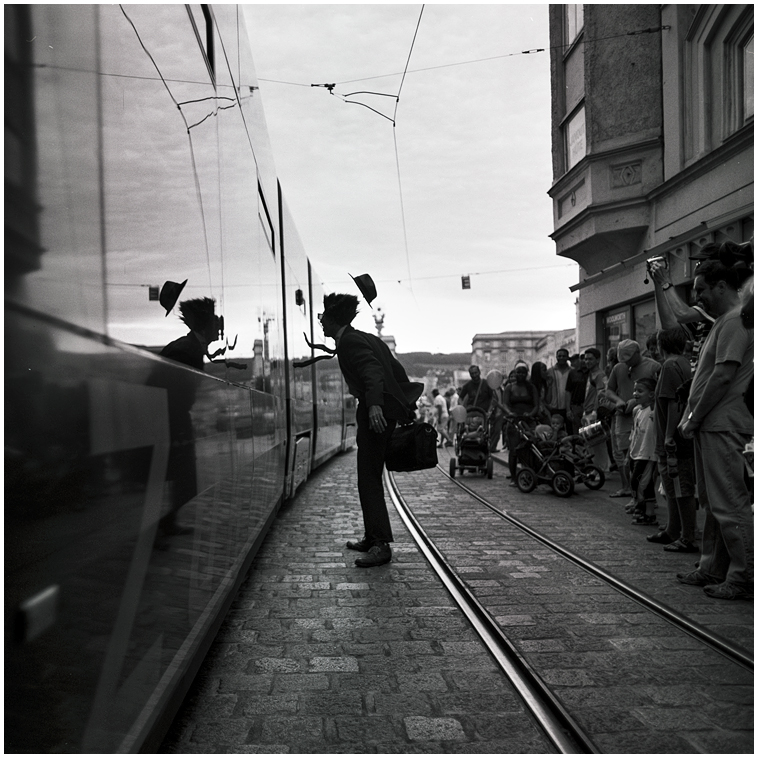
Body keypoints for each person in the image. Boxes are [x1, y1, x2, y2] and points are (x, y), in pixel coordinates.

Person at [319, 292, 422, 568]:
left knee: (369, 478)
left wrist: (376, 405)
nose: (320, 323)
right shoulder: (367, 338)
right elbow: (394, 368)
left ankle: (380, 544)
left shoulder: (351, 342)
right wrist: (401, 402)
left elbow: (373, 371)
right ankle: (372, 535)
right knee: (370, 476)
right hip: (381, 409)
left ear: (331, 319)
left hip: (373, 412)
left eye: (322, 318)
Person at [676, 259, 754, 600]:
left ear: (721, 286)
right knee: (714, 502)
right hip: (712, 424)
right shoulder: (725, 321)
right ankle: (712, 567)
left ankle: (744, 575)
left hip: (722, 424)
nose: (698, 297)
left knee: (730, 503)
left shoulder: (736, 321)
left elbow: (723, 375)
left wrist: (694, 417)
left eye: (701, 290)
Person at [147, 296, 221, 543]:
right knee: (180, 478)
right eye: (215, 324)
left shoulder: (189, 346)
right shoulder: (187, 349)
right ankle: (158, 528)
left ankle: (166, 524)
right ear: (206, 326)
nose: (219, 329)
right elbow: (172, 386)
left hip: (171, 417)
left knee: (179, 478)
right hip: (171, 419)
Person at [647, 327, 698, 552]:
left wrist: (668, 437)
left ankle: (686, 535)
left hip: (673, 440)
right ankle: (673, 529)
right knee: (674, 487)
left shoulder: (669, 365)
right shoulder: (686, 363)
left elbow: (673, 403)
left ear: (662, 344)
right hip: (682, 436)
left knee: (679, 488)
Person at [604, 340, 661, 499]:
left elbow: (658, 392)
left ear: (637, 353)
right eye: (623, 359)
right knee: (625, 456)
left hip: (646, 417)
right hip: (623, 417)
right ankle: (630, 490)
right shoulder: (618, 367)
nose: (626, 362)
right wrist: (618, 401)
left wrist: (635, 402)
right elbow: (608, 391)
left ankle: (646, 497)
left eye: (629, 358)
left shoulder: (653, 367)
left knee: (646, 457)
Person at [627, 377, 658, 525]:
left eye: (640, 391)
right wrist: (630, 452)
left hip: (648, 454)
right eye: (634, 390)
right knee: (636, 481)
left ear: (652, 394)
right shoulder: (637, 410)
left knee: (643, 483)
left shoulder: (654, 410)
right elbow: (634, 433)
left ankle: (649, 513)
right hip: (636, 452)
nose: (635, 394)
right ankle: (641, 507)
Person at [501, 363, 540, 483]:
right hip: (514, 421)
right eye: (518, 372)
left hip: (528, 421)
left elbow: (536, 405)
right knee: (513, 450)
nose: (520, 375)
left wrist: (531, 414)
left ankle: (530, 474)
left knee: (531, 448)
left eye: (523, 372)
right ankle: (513, 477)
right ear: (515, 373)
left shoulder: (531, 387)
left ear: (526, 374)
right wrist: (509, 413)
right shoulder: (509, 387)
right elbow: (505, 404)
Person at [581, 347, 610, 472]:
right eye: (586, 359)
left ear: (598, 360)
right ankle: (601, 468)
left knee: (597, 444)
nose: (587, 361)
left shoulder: (600, 375)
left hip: (593, 413)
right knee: (592, 443)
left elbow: (601, 395)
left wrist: (594, 412)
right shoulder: (590, 374)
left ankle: (602, 469)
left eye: (590, 359)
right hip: (587, 412)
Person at [545, 349, 572, 424]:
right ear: (556, 357)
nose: (561, 358)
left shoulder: (572, 371)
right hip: (554, 407)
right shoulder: (550, 371)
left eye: (564, 356)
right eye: (559, 356)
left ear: (567, 357)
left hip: (569, 408)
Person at [565, 353, 587, 435]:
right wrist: (568, 410)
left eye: (587, 359)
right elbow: (568, 391)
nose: (585, 361)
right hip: (576, 407)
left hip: (590, 408)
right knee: (577, 433)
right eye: (582, 358)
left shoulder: (593, 373)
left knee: (590, 433)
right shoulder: (573, 373)